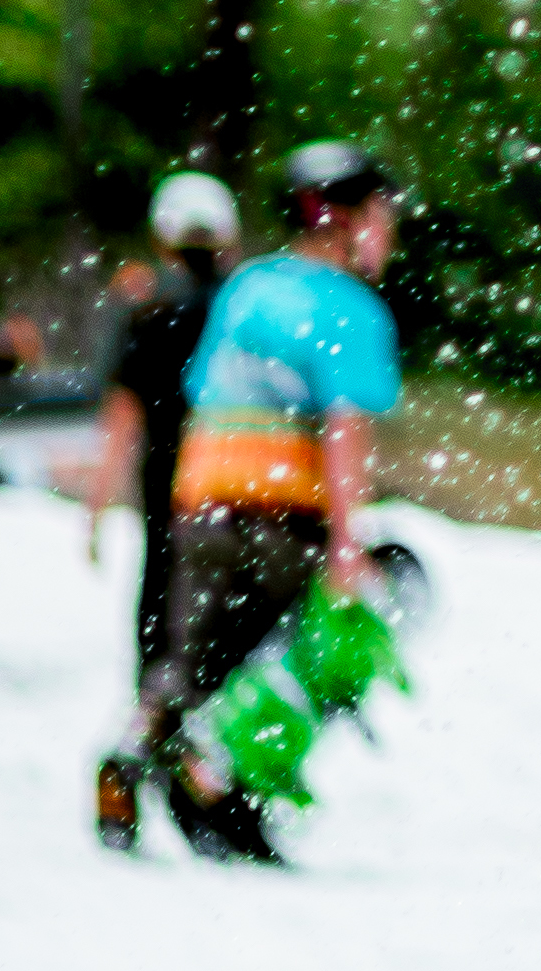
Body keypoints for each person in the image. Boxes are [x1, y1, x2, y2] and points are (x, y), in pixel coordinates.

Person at [109, 143, 403, 864]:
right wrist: (346, 542)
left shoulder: (249, 286)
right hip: (284, 514)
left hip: (202, 500)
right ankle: (221, 788)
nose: (388, 235)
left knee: (190, 658)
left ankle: (132, 752)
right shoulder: (351, 308)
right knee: (288, 664)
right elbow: (345, 430)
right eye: (381, 217)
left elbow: (203, 393)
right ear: (343, 219)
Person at [91, 171, 239, 715]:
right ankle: (210, 721)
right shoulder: (239, 306)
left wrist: (96, 506)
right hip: (228, 481)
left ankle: (152, 715)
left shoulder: (146, 309)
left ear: (161, 237)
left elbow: (123, 415)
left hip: (165, 479)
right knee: (220, 606)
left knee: (159, 591)